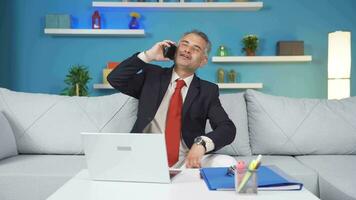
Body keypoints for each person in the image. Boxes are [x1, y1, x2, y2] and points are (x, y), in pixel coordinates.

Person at [107, 30, 236, 168]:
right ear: (175, 50)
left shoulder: (207, 91)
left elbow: (227, 128)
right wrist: (149, 55)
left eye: (195, 48)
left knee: (227, 162)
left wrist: (202, 144)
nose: (187, 50)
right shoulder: (152, 75)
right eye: (184, 44)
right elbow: (115, 79)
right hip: (144, 155)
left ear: (203, 61)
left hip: (185, 162)